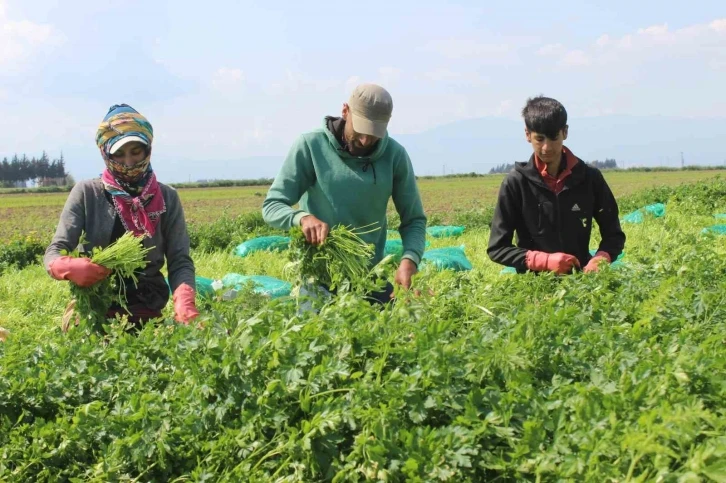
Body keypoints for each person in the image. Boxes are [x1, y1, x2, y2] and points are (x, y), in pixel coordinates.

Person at [262, 83, 427, 302]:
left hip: (368, 278)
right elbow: (272, 205)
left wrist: (410, 259)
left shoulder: (394, 155)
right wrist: (302, 219)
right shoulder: (311, 146)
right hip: (317, 280)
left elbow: (414, 219)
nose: (365, 140)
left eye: (374, 134)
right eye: (360, 130)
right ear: (345, 111)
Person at [44, 104, 199, 328]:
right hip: (93, 310)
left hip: (146, 307)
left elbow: (180, 260)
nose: (128, 162)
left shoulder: (167, 197)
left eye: (136, 152)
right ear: (106, 153)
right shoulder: (87, 193)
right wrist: (65, 266)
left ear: (148, 149)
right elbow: (54, 250)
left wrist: (184, 300)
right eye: (119, 154)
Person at [488, 96, 625, 274]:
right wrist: (544, 261)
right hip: (534, 285)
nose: (547, 147)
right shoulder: (516, 183)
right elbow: (497, 247)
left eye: (553, 137)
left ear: (565, 132)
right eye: (540, 139)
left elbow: (614, 235)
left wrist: (601, 258)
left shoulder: (589, 178)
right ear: (527, 135)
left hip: (582, 281)